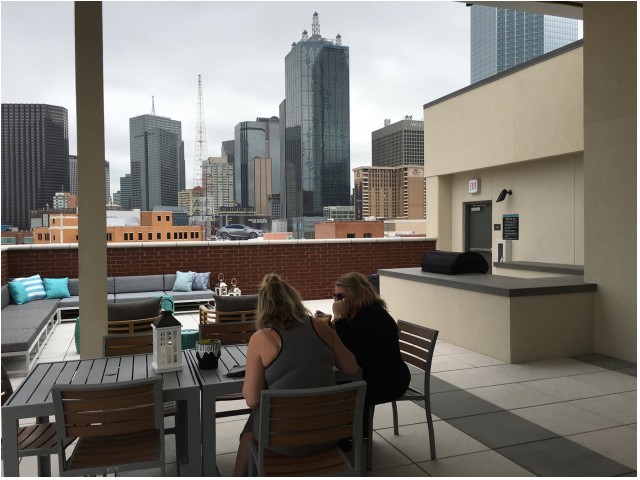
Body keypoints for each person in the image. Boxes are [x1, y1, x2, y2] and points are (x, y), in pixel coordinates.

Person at [233, 273, 358, 476]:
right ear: (294, 300)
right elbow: (351, 368)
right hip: (329, 434)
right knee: (261, 414)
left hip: (283, 442)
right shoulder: (320, 327)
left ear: (262, 308)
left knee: (256, 414)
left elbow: (252, 399)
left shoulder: (261, 338)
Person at [316, 272, 410, 436]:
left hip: (388, 380)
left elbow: (350, 352)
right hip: (371, 373)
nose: (336, 301)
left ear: (356, 295)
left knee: (333, 390)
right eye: (334, 296)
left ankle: (349, 436)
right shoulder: (358, 313)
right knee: (331, 383)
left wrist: (339, 317)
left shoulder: (372, 316)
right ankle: (352, 434)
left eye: (340, 296)